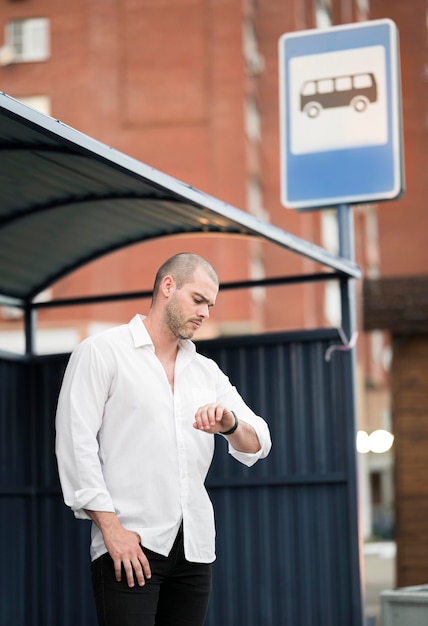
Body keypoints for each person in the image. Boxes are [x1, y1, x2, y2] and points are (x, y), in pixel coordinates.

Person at [55, 252, 272, 626]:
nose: (205, 313)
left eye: (210, 305)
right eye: (198, 300)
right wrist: (112, 531)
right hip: (130, 544)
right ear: (168, 286)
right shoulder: (102, 352)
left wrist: (230, 423)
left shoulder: (206, 372)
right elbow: (76, 447)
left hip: (194, 549)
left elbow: (259, 443)